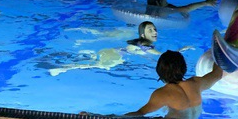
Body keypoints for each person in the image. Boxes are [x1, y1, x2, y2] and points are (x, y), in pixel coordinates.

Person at [49, 22, 193, 76]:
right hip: (114, 55)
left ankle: (68, 65)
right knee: (93, 65)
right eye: (150, 30)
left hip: (112, 50)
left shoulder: (140, 43)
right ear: (142, 34)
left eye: (155, 29)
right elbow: (163, 56)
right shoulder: (145, 46)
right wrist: (182, 50)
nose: (155, 32)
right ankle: (64, 68)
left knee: (93, 63)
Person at [122, 51, 223, 119]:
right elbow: (217, 74)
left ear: (159, 71)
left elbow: (140, 113)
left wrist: (115, 118)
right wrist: (220, 51)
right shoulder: (197, 83)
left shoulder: (163, 93)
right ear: (184, 68)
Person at [146, 0, 216, 18]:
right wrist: (205, 3)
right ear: (158, 2)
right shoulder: (162, 11)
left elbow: (175, 8)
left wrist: (180, 11)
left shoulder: (152, 9)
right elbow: (187, 8)